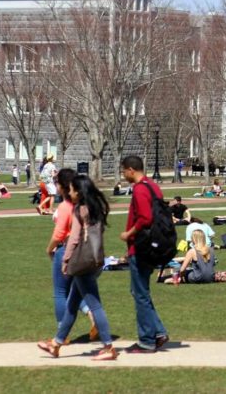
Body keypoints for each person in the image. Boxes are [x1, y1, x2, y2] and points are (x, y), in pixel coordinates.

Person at [38, 174, 117, 361]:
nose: (70, 193)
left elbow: (73, 239)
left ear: (79, 192)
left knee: (95, 305)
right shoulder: (97, 208)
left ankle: (108, 347)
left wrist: (65, 261)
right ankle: (56, 343)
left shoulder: (80, 210)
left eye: (72, 190)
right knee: (72, 304)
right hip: (95, 260)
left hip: (81, 262)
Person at [119, 155, 169, 354]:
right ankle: (158, 332)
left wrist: (128, 234)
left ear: (131, 170)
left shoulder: (140, 189)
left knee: (140, 293)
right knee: (139, 292)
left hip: (141, 248)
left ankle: (147, 340)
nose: (123, 175)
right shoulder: (152, 186)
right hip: (152, 246)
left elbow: (145, 219)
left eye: (124, 171)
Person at [44, 168, 97, 344]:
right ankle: (92, 315)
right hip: (82, 251)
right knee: (75, 291)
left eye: (57, 183)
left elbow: (59, 233)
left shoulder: (66, 206)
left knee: (60, 292)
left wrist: (49, 249)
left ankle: (62, 332)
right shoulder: (81, 203)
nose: (55, 186)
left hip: (65, 249)